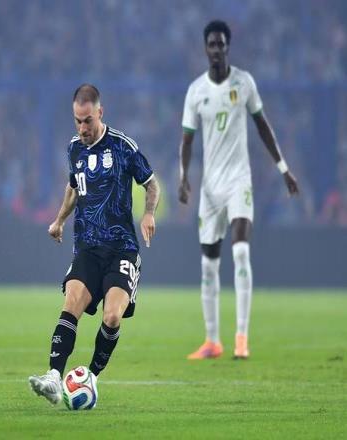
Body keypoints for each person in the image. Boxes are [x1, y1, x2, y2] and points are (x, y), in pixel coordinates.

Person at [29, 84, 160, 404]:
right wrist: (59, 220)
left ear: (100, 113)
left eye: (87, 120)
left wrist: (148, 214)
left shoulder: (123, 146)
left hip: (121, 249)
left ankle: (90, 377)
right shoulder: (74, 149)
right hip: (87, 248)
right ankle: (53, 377)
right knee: (71, 301)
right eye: (77, 121)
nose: (82, 128)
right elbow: (73, 188)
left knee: (112, 317)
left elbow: (152, 184)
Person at [178, 20, 299, 360]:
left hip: (238, 181)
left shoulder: (244, 83)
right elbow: (187, 139)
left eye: (221, 44)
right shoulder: (196, 91)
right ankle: (212, 341)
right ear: (205, 49)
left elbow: (263, 126)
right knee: (209, 265)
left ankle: (241, 338)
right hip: (210, 189)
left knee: (241, 252)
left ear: (228, 47)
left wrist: (284, 169)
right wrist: (183, 177)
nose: (216, 49)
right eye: (211, 44)